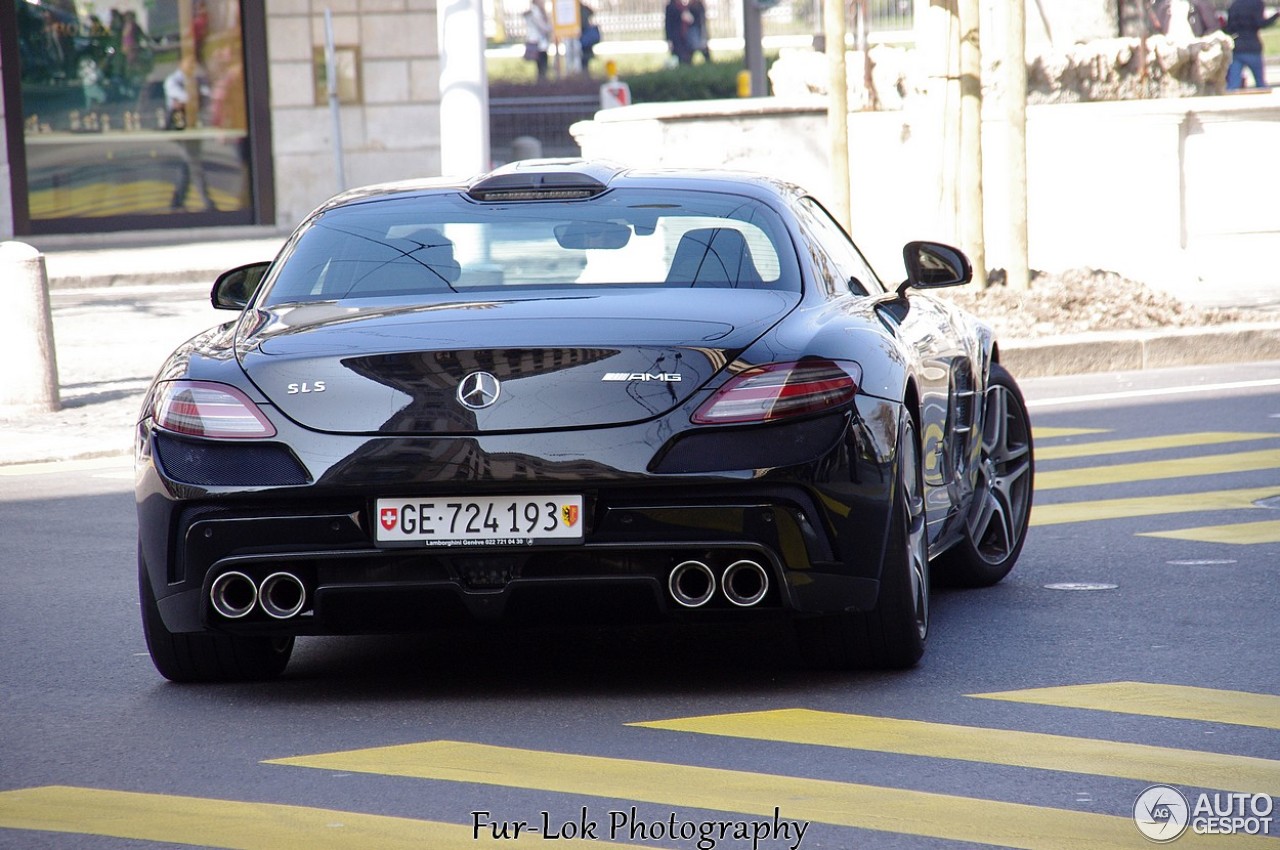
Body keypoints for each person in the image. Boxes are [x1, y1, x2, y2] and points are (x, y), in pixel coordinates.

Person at [1224, 0, 1279, 89]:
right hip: (1253, 46)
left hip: (1237, 47)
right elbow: (1260, 23)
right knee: (1260, 82)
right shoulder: (1257, 3)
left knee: (1233, 84)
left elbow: (1229, 27)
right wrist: (1276, 16)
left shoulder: (1234, 4)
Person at [665, 0, 704, 66]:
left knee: (688, 56)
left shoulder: (694, 5)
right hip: (677, 37)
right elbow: (668, 25)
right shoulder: (672, 6)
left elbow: (698, 22)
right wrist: (669, 39)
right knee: (680, 57)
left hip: (688, 36)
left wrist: (691, 19)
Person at [1151, 0, 1221, 36]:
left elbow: (1213, 29)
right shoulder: (1164, 6)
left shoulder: (1200, 3)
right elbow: (1158, 30)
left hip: (1196, 51)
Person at [523, 0, 552, 81]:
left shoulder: (535, 11)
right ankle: (542, 82)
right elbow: (542, 27)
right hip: (538, 42)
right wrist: (552, 27)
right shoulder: (535, 12)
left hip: (538, 41)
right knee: (542, 65)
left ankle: (542, 81)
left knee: (540, 65)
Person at [579, 2, 601, 69]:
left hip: (583, 36)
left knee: (584, 60)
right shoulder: (582, 8)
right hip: (583, 37)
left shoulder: (581, 8)